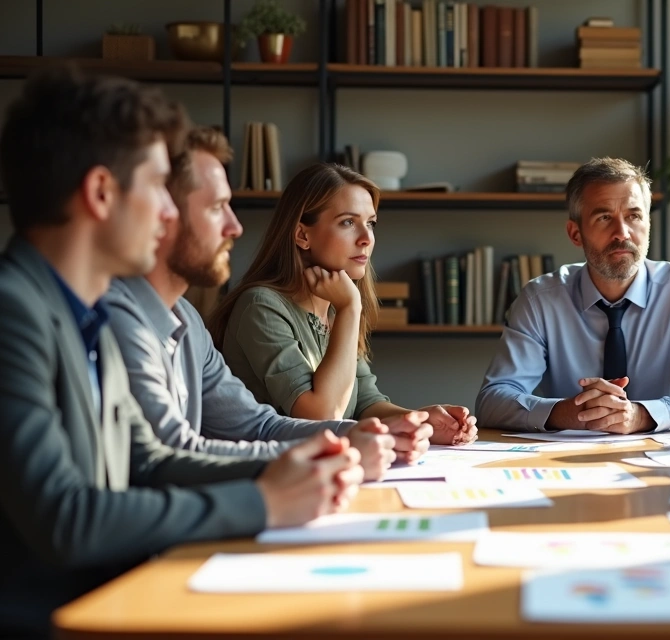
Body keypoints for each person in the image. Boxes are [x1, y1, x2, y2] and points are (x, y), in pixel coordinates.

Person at [0, 69, 399, 638]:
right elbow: (66, 518)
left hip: (119, 595)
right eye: (158, 188)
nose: (168, 215)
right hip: (60, 617)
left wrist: (308, 468)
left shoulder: (82, 311)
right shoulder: (15, 312)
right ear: (100, 193)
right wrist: (264, 502)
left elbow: (151, 460)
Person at [104, 127, 416, 479]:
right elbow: (170, 455)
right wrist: (334, 451)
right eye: (217, 207)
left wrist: (377, 431)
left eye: (370, 224)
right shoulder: (120, 317)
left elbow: (260, 426)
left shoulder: (187, 319)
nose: (236, 227)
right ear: (162, 215)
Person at [210, 163, 475, 446]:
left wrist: (421, 421)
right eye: (348, 222)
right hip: (276, 476)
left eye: (370, 223)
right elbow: (322, 418)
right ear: (302, 235)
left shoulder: (335, 304)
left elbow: (364, 403)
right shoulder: (261, 306)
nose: (366, 238)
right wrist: (351, 308)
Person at [476, 157, 670, 433]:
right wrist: (563, 412)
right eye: (604, 217)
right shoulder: (540, 300)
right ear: (576, 233)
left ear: (648, 224)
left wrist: (640, 415)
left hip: (661, 460)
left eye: (634, 216)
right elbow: (492, 401)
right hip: (565, 461)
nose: (622, 233)